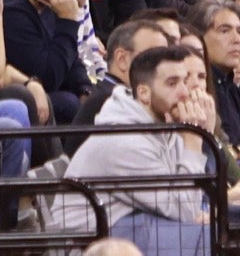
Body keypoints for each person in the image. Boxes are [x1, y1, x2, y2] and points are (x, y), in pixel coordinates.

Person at [54, 45, 212, 252]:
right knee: (210, 235)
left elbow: (187, 201)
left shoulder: (164, 126)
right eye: (172, 83)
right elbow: (184, 209)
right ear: (144, 93)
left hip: (133, 220)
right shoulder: (123, 139)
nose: (185, 92)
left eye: (185, 81)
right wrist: (194, 140)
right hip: (91, 241)